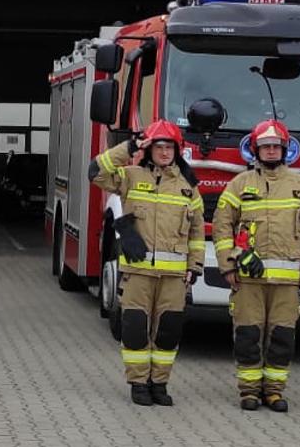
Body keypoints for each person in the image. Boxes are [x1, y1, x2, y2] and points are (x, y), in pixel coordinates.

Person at [89, 119, 204, 407]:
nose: (165, 153)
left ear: (177, 151)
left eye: (170, 147)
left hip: (174, 277)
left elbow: (197, 231)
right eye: (159, 146)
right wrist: (129, 146)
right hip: (137, 273)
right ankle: (139, 383)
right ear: (149, 149)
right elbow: (96, 171)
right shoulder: (130, 176)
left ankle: (159, 384)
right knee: (135, 329)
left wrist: (196, 266)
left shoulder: (188, 187)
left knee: (168, 332)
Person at [213, 119, 300, 412]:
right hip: (249, 280)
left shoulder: (299, 185)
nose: (271, 151)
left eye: (276, 147)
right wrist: (228, 266)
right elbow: (222, 226)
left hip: (287, 282)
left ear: (284, 150)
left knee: (282, 338)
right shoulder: (240, 184)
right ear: (255, 151)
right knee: (248, 335)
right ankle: (249, 391)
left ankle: (274, 391)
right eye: (265, 147)